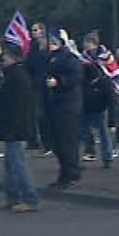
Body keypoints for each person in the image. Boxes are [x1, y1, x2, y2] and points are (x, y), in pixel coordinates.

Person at [0, 43, 39, 212]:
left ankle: (29, 197)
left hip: (16, 126)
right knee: (11, 164)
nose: (2, 59)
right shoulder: (17, 75)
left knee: (18, 163)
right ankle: (13, 197)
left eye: (5, 56)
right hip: (15, 125)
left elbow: (17, 106)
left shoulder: (17, 77)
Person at [45, 30, 84, 189]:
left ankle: (70, 173)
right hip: (56, 103)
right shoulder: (51, 58)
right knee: (57, 141)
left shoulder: (70, 58)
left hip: (68, 104)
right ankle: (67, 171)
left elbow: (76, 77)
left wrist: (59, 81)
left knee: (67, 141)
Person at [80, 62, 116, 169]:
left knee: (104, 134)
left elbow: (113, 103)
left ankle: (107, 157)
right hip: (85, 110)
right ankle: (90, 151)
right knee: (84, 133)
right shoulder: (82, 82)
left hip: (101, 110)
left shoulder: (106, 83)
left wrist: (113, 122)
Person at [25, 22, 52, 154]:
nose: (33, 32)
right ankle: (45, 143)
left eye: (35, 30)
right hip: (37, 85)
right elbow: (29, 64)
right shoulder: (33, 48)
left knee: (51, 114)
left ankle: (52, 142)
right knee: (40, 115)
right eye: (32, 30)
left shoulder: (50, 47)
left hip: (51, 84)